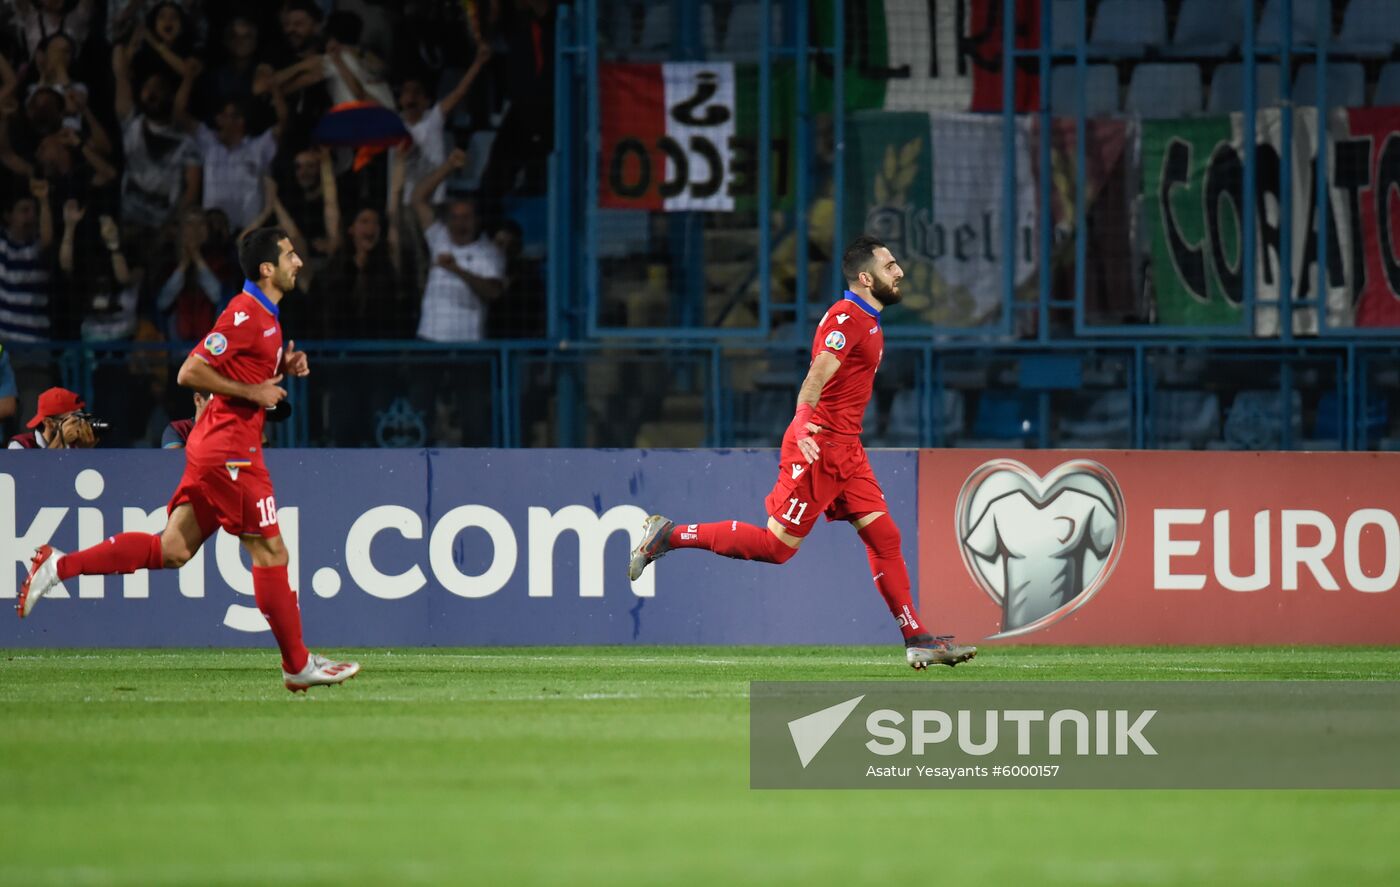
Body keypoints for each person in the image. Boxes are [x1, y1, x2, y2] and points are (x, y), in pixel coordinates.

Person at [17, 227, 360, 693]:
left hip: (216, 449)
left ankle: (58, 565)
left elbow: (242, 370)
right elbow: (190, 371)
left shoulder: (267, 317)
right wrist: (254, 391)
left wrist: (281, 369)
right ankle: (297, 665)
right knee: (270, 550)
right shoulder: (243, 313)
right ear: (267, 268)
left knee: (173, 548)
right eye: (290, 255)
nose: (298, 261)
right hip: (230, 455)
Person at [627, 236, 978, 670]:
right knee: (775, 548)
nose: (899, 271)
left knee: (885, 537)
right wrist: (800, 421)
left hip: (847, 448)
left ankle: (917, 638)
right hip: (821, 447)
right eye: (890, 266)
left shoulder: (866, 318)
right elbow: (816, 376)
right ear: (866, 278)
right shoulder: (848, 319)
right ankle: (670, 535)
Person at [412, 149, 504, 342]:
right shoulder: (439, 237)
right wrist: (448, 166)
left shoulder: (488, 252)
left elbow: (493, 292)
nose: (459, 223)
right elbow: (418, 198)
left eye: (465, 217)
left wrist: (456, 269)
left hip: (467, 344)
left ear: (476, 220)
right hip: (430, 338)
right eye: (454, 217)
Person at [7, 386, 99, 449]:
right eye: (74, 419)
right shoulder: (21, 445)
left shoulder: (74, 446)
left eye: (82, 417)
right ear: (49, 422)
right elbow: (32, 474)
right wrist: (61, 440)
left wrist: (85, 453)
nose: (80, 423)